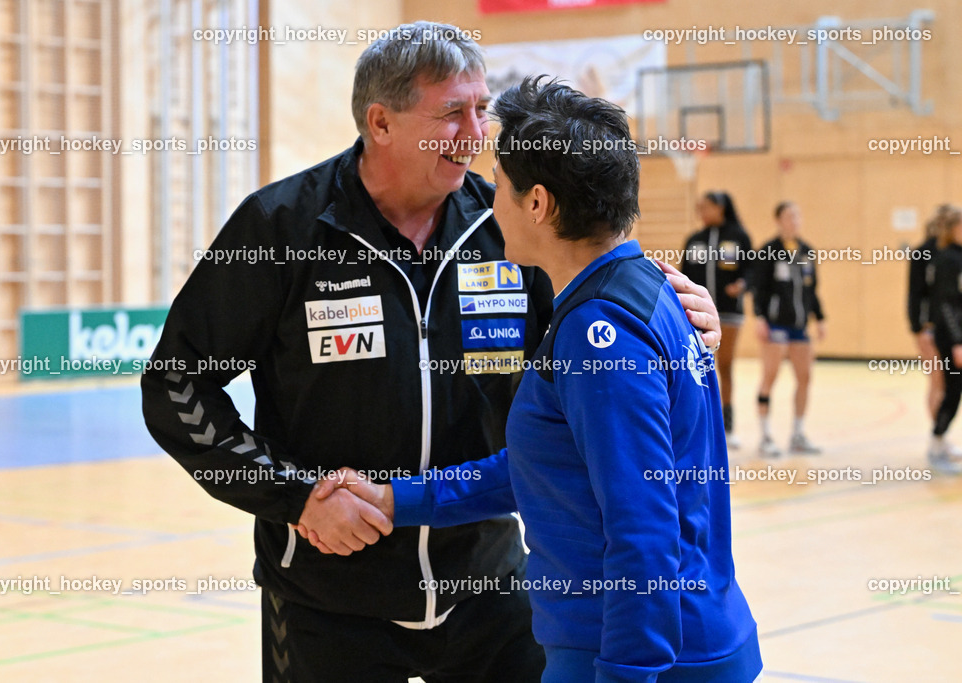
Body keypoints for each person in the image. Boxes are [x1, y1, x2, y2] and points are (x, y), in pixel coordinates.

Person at [140, 22, 722, 683]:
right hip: (327, 603)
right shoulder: (282, 229)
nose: (477, 133)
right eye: (452, 113)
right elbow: (176, 385)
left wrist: (679, 323)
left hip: (493, 591)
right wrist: (297, 496)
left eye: (482, 109)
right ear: (381, 123)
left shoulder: (512, 228)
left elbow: (596, 345)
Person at [311, 77, 762, 682]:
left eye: (499, 188)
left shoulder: (598, 332)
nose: (489, 204)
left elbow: (642, 530)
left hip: (637, 654)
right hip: (676, 641)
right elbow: (544, 468)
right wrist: (398, 500)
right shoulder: (648, 293)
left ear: (538, 204)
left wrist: (625, 674)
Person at [681, 191, 753, 448]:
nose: (701, 211)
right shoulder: (695, 240)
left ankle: (728, 425)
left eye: (706, 207)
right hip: (697, 314)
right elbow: (683, 275)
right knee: (697, 368)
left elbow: (752, 270)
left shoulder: (738, 237)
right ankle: (699, 425)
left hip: (729, 313)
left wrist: (743, 285)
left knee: (725, 366)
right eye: (699, 207)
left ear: (720, 208)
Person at [752, 202, 825, 457]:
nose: (793, 220)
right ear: (778, 220)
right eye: (788, 216)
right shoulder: (768, 251)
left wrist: (821, 318)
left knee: (805, 377)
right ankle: (766, 435)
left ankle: (798, 433)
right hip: (775, 325)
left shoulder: (807, 252)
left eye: (797, 215)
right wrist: (760, 318)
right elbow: (758, 289)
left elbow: (811, 291)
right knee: (770, 377)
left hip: (800, 327)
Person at [909, 205, 951, 420]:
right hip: (931, 328)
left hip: (952, 329)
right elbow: (915, 295)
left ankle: (942, 436)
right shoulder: (924, 253)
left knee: (950, 384)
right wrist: (919, 328)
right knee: (938, 380)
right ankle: (937, 437)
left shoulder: (954, 253)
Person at [928, 205, 962, 474]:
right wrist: (957, 342)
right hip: (951, 336)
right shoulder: (947, 259)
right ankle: (937, 441)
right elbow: (946, 305)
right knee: (952, 390)